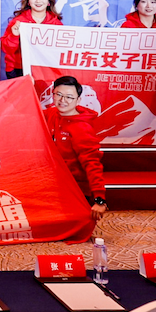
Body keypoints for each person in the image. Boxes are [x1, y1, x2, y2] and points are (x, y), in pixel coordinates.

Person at [41, 75, 107, 217]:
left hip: (75, 188)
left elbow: (92, 163)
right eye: (58, 95)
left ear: (78, 100)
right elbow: (28, 112)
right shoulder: (52, 113)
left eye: (69, 97)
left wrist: (99, 199)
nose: (62, 100)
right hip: (53, 182)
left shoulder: (82, 128)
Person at [0, 0, 61, 78]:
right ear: (28, 1)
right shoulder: (18, 22)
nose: (38, 1)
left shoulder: (56, 23)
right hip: (18, 69)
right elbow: (6, 49)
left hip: (45, 68)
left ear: (49, 1)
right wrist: (14, 36)